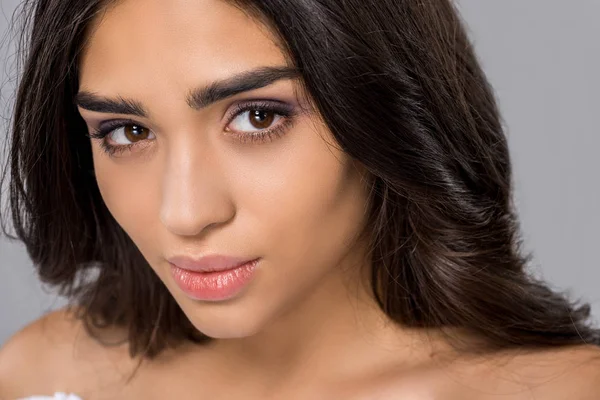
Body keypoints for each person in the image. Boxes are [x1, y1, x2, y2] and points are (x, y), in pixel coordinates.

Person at [0, 0, 599, 398]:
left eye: (258, 117)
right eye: (127, 132)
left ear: (386, 114)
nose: (183, 212)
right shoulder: (45, 373)